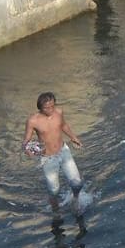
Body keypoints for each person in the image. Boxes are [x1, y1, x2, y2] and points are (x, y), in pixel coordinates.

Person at [23, 92, 85, 226]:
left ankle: (75, 199)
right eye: (47, 108)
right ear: (40, 107)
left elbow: (63, 126)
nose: (50, 109)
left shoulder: (59, 112)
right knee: (53, 190)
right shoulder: (33, 120)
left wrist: (73, 137)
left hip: (64, 151)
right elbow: (26, 140)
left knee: (77, 183)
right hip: (48, 158)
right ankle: (56, 211)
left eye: (52, 106)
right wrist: (26, 148)